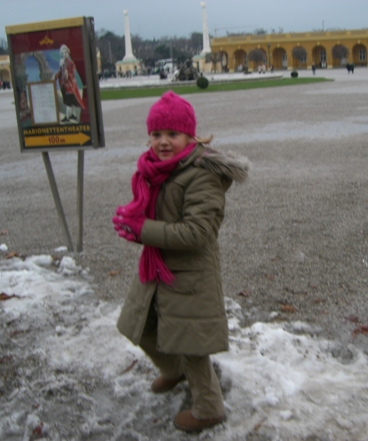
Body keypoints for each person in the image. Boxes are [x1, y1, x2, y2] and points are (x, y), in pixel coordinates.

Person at [112, 91, 250, 432]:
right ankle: (173, 371)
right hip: (156, 266)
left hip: (189, 274)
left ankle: (209, 407)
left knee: (191, 344)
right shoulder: (156, 170)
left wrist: (144, 229)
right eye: (156, 135)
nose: (162, 142)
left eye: (172, 134)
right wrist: (134, 223)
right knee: (139, 324)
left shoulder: (201, 173)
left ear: (190, 136)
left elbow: (197, 233)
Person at [54, 44, 85, 123]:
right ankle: (73, 115)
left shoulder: (70, 63)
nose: (63, 54)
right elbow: (60, 71)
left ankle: (67, 117)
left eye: (65, 52)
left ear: (67, 53)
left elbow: (72, 74)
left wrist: (67, 75)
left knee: (68, 101)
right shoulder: (62, 63)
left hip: (69, 86)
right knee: (69, 101)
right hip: (63, 85)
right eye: (62, 52)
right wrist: (55, 76)